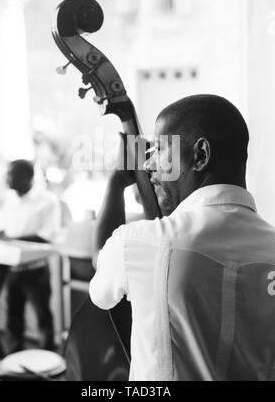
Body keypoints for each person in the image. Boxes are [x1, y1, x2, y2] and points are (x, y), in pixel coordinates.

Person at [89, 94, 275, 381]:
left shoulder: (139, 244)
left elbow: (101, 275)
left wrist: (116, 183)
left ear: (200, 155)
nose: (150, 165)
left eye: (160, 149)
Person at [3, 159, 61, 353]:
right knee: (13, 319)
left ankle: (47, 360)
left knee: (43, 318)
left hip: (35, 270)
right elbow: (7, 231)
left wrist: (10, 239)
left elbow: (47, 236)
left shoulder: (46, 201)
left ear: (27, 177)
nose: (7, 178)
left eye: (12, 174)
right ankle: (14, 362)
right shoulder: (10, 200)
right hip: (12, 269)